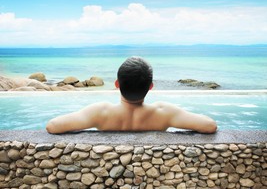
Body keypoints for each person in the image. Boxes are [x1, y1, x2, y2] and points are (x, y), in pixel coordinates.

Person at [46, 57, 217, 134]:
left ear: (116, 84)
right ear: (151, 87)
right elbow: (209, 126)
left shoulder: (100, 112)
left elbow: (53, 126)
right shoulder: (164, 112)